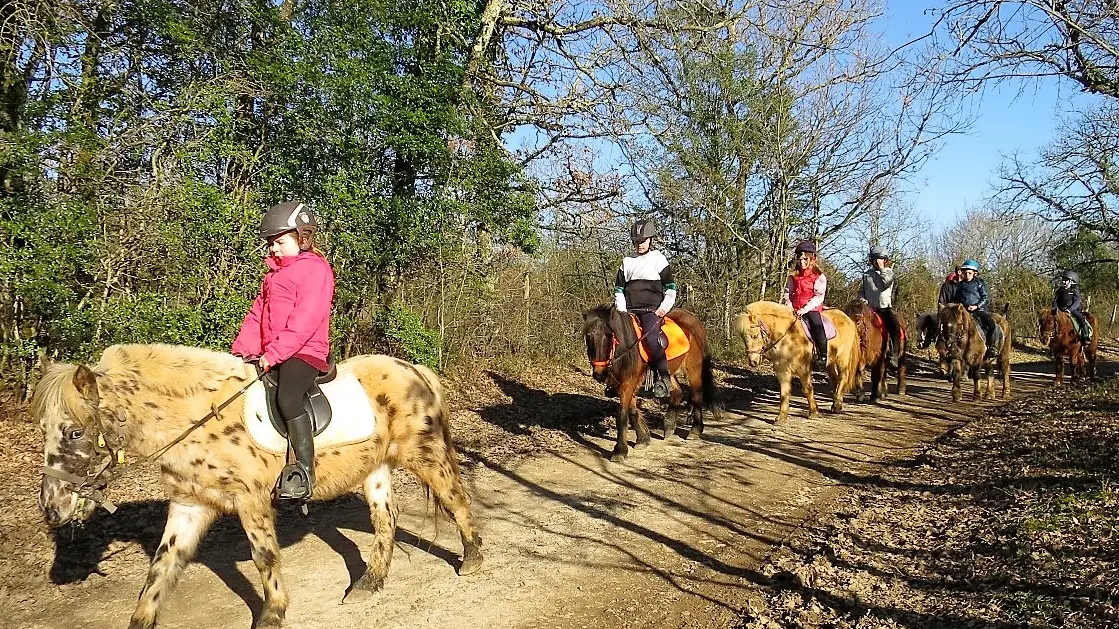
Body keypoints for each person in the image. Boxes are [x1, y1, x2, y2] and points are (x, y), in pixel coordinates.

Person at [233, 201, 335, 500]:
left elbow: (305, 321)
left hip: (305, 351)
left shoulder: (316, 271)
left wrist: (274, 354)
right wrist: (241, 351)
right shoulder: (273, 276)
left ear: (302, 238)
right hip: (275, 350)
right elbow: (257, 316)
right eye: (271, 243)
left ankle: (304, 471)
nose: (273, 248)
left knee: (288, 397)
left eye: (279, 242)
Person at [614, 218, 676, 399]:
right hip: (629, 310)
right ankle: (614, 380)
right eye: (636, 241)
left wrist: (663, 308)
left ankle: (664, 378)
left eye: (643, 241)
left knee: (652, 338)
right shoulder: (627, 261)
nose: (639, 244)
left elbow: (671, 288)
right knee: (614, 340)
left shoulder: (659, 259)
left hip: (651, 311)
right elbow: (619, 290)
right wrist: (622, 312)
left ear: (650, 240)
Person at [783, 240, 829, 371]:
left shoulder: (819, 276)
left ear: (812, 258)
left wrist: (804, 309)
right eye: (799, 258)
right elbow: (788, 293)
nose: (802, 261)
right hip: (793, 309)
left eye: (805, 259)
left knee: (817, 325)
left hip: (811, 308)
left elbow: (819, 296)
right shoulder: (793, 276)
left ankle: (823, 356)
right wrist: (789, 306)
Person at [860, 245, 902, 368]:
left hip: (884, 308)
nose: (878, 261)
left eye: (881, 259)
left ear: (885, 260)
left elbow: (885, 283)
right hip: (869, 309)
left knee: (895, 327)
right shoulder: (867, 275)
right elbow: (862, 290)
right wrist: (862, 298)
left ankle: (894, 355)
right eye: (875, 259)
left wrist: (882, 269)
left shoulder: (889, 272)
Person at [950, 259, 1001, 359]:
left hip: (978, 311)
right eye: (965, 273)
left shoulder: (980, 283)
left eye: (969, 272)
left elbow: (985, 297)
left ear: (975, 273)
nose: (967, 274)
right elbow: (956, 298)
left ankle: (993, 346)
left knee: (991, 323)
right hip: (964, 312)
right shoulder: (960, 285)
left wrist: (976, 306)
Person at [1054, 270, 1091, 343]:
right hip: (1059, 309)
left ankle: (1086, 335)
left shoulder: (1074, 291)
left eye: (1066, 280)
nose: (1064, 282)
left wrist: (1070, 309)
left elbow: (1077, 301)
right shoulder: (1059, 291)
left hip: (1072, 310)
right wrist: (1055, 308)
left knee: (1081, 318)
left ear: (1071, 281)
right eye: (1063, 280)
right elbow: (1055, 300)